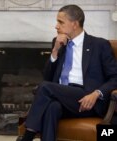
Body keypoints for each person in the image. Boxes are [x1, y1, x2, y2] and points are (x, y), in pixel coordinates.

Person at [21, 4, 117, 141]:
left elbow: (115, 77)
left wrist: (96, 94)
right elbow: (48, 77)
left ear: (75, 24)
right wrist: (54, 51)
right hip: (62, 97)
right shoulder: (58, 43)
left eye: (60, 22)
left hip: (87, 99)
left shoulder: (99, 45)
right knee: (52, 108)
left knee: (44, 87)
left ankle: (27, 137)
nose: (56, 26)